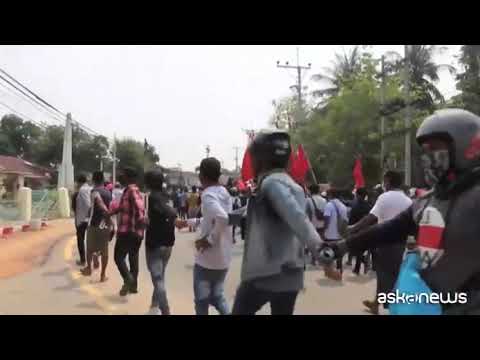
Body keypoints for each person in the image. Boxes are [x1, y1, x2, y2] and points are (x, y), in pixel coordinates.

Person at [322, 109, 480, 314]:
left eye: (435, 148)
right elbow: (389, 230)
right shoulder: (427, 201)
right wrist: (341, 247)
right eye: (425, 151)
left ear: (466, 148)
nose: (427, 157)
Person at [231, 130, 324, 315]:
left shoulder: (271, 184)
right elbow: (248, 213)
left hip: (268, 271)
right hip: (292, 272)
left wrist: (322, 252)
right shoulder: (293, 186)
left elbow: (297, 218)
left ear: (260, 159)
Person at [348, 171, 412, 314]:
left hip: (385, 243)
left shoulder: (384, 197)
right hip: (401, 244)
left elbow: (370, 218)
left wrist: (352, 229)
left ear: (388, 181)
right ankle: (376, 304)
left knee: (385, 275)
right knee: (393, 274)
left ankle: (394, 307)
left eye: (384, 181)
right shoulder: (408, 200)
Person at [177, 157, 233, 315]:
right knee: (217, 297)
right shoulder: (224, 192)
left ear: (202, 175)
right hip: (223, 258)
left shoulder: (208, 195)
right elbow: (211, 219)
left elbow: (222, 218)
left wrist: (208, 241)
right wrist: (188, 222)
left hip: (208, 259)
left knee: (202, 302)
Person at [144, 170, 177, 315]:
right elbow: (172, 213)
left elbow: (168, 213)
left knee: (157, 279)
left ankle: (165, 310)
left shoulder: (152, 198)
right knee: (160, 276)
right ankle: (154, 305)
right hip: (168, 242)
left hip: (155, 243)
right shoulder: (167, 196)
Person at [110, 167, 146, 297]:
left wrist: (140, 222)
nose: (121, 177)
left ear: (128, 177)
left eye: (123, 175)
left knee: (118, 257)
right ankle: (133, 286)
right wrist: (111, 212)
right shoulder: (129, 190)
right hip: (135, 232)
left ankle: (128, 279)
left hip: (129, 231)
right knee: (133, 257)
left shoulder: (131, 190)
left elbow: (139, 208)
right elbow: (123, 207)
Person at [80, 171, 112, 282]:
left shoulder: (94, 191)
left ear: (93, 180)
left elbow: (98, 202)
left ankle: (89, 268)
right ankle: (103, 275)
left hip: (93, 224)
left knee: (89, 248)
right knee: (104, 251)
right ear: (103, 180)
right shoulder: (108, 192)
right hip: (105, 225)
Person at [321, 187, 349, 280]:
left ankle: (330, 273)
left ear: (330, 195)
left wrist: (323, 230)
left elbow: (326, 219)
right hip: (340, 234)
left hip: (330, 234)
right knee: (339, 253)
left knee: (328, 253)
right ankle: (339, 270)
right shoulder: (343, 206)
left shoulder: (329, 205)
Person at [347, 188, 372, 275]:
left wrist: (349, 230)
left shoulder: (355, 206)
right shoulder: (369, 206)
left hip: (356, 231)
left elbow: (351, 220)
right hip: (366, 231)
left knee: (354, 250)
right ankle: (359, 266)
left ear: (357, 195)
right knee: (359, 250)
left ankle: (363, 262)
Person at [306, 184, 327, 265]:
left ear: (310, 191)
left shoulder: (308, 200)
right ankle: (321, 259)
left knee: (312, 242)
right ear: (318, 191)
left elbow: (307, 213)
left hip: (312, 224)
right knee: (321, 242)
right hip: (322, 224)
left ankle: (313, 260)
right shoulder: (324, 200)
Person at [74, 174, 91, 266]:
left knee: (80, 240)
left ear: (79, 182)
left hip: (82, 219)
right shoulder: (90, 188)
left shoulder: (82, 190)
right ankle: (91, 260)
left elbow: (88, 204)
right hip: (88, 219)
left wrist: (88, 214)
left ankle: (83, 260)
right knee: (90, 240)